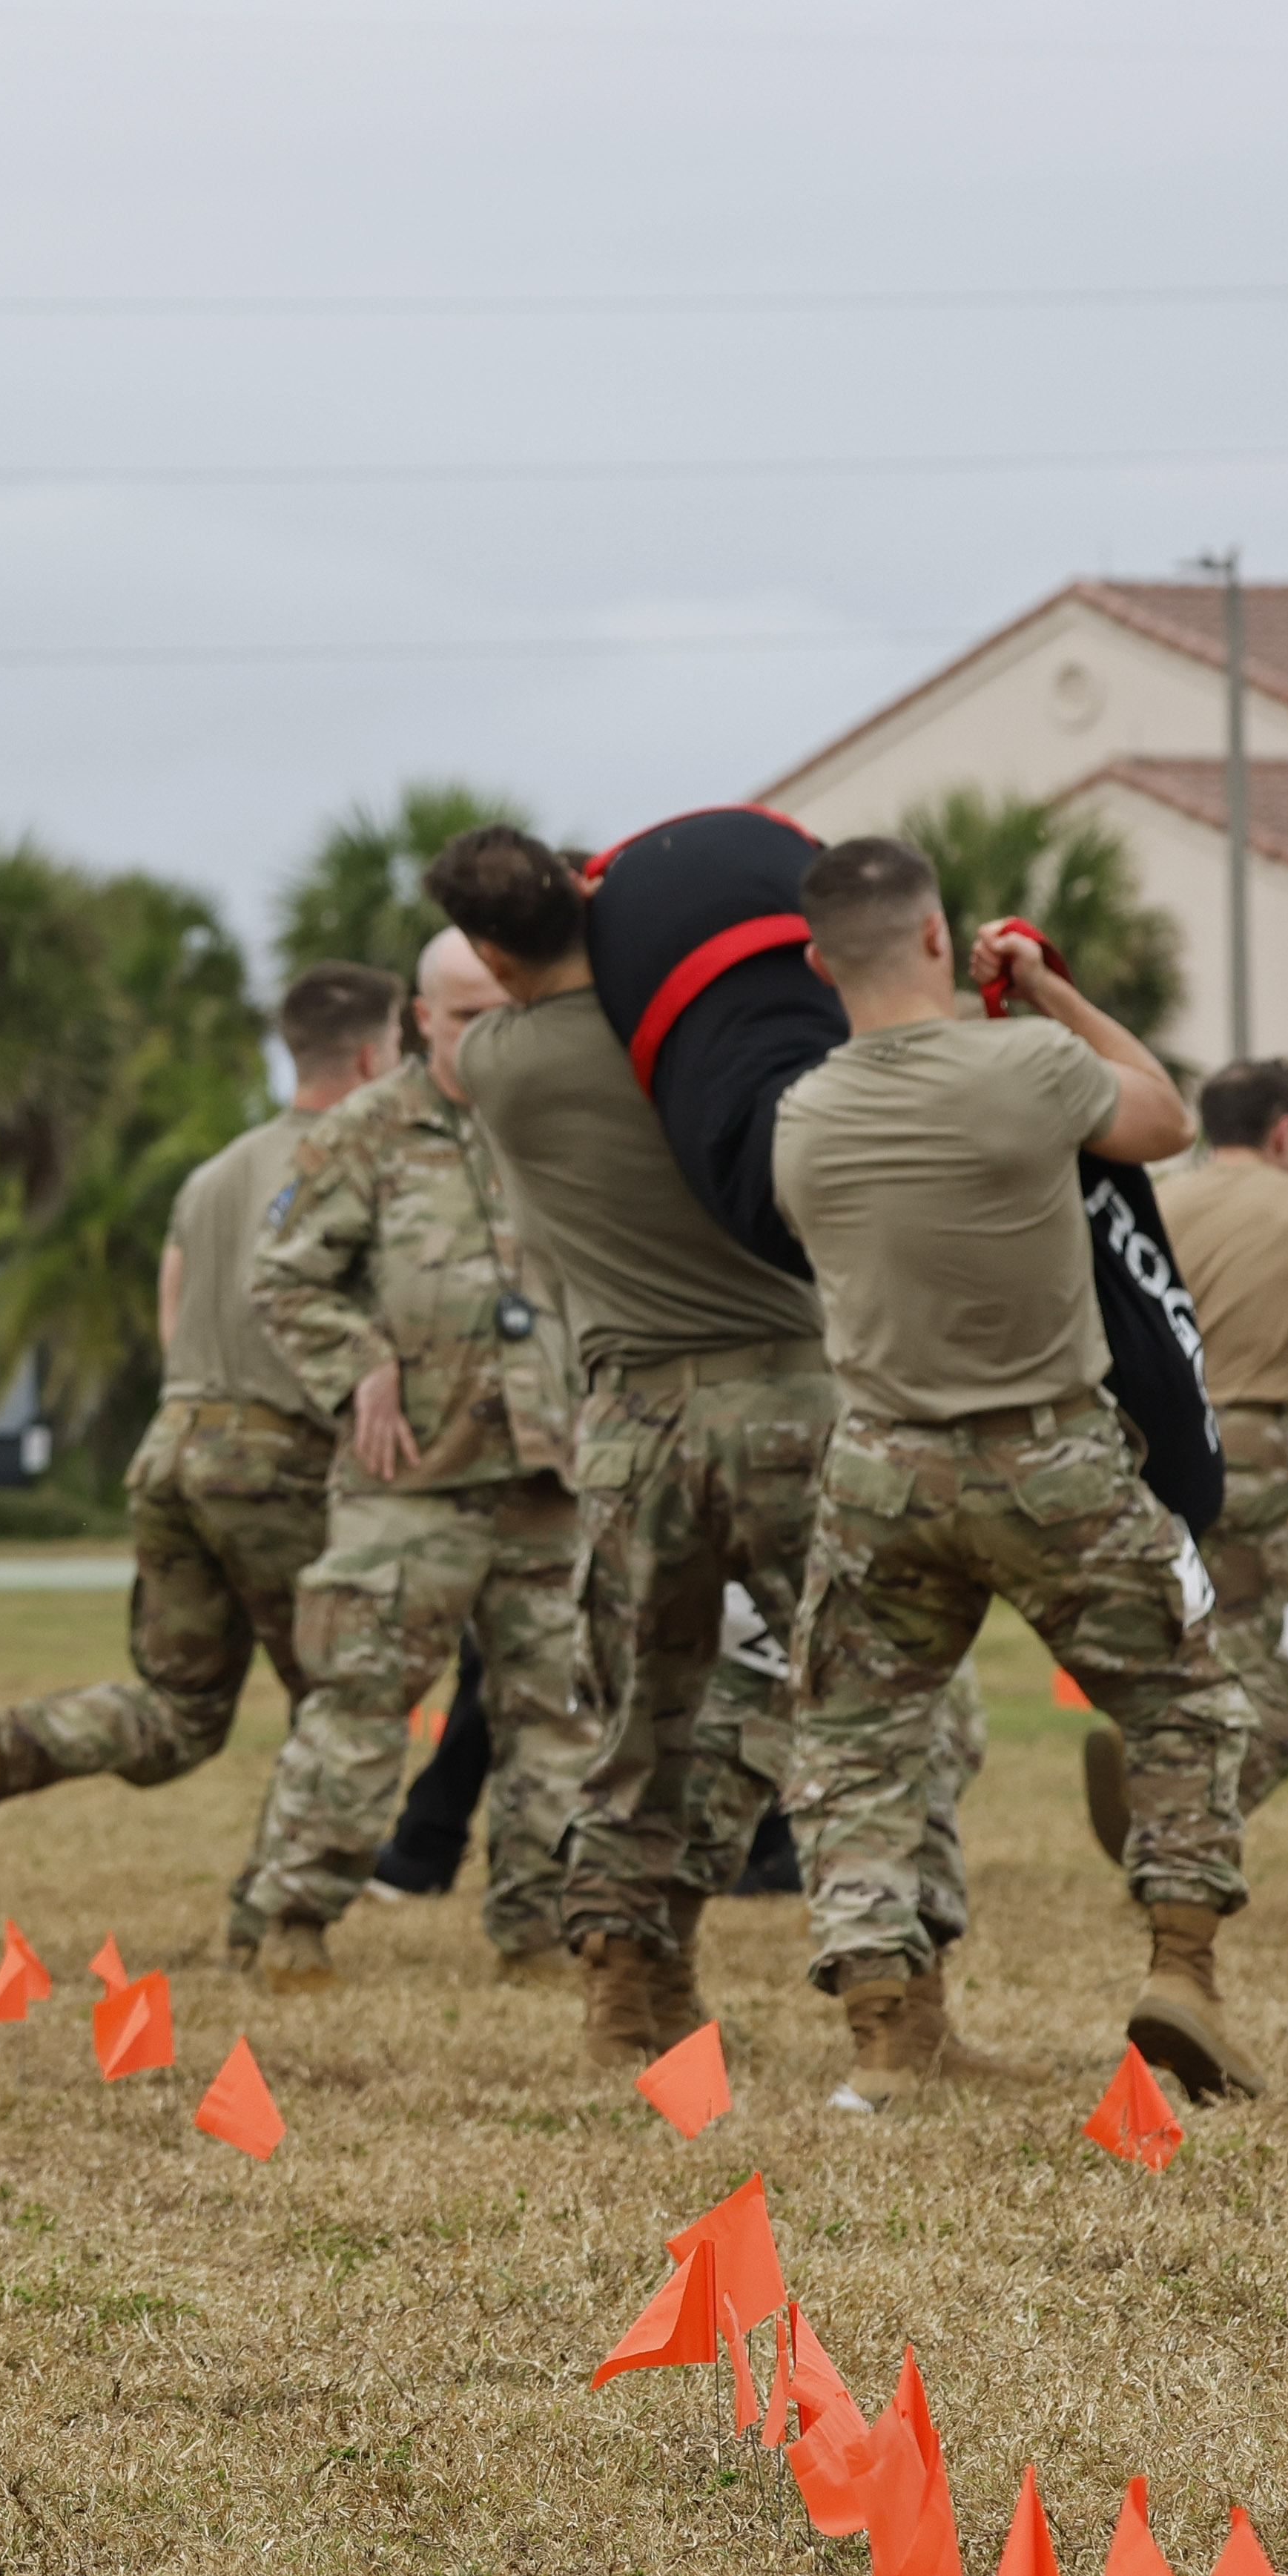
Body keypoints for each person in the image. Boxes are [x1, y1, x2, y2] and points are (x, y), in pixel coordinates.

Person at [422, 821, 1015, 2078]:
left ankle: (628, 2001)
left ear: (489, 952)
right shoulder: (678, 1036)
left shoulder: (494, 1061)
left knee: (642, 1726)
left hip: (629, 1430)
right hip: (797, 1404)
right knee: (883, 1706)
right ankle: (900, 2015)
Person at [770, 837, 1259, 2106]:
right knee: (1183, 1702)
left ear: (820, 963)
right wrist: (1045, 988)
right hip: (1053, 1457)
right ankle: (1183, 1974)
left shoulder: (804, 1114)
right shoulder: (1030, 1067)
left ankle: (887, 2037)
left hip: (880, 1467)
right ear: (939, 937)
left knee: (858, 1742)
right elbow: (1164, 1118)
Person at [0, 964, 403, 1918]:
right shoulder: (365, 1160)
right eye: (398, 1048)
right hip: (277, 1457)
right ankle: (276, 1914)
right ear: (366, 1058)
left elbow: (172, 1317)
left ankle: (9, 1745)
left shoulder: (214, 1172)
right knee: (341, 1699)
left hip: (177, 1444)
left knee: (182, 1710)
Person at [238, 932, 604, 1991]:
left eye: (510, 1011)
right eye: (469, 1016)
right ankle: (292, 1922)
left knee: (560, 1714)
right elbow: (284, 1280)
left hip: (548, 1473)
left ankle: (540, 1927)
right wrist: (359, 1363)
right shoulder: (364, 1132)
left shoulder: (558, 1118)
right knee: (358, 1704)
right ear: (422, 1022)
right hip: (412, 1480)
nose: (492, 1034)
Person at [1118, 1056, 1288, 1853]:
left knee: (1206, 1643)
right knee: (1287, 1674)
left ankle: (1161, 1791)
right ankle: (1177, 1825)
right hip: (1261, 1460)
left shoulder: (1155, 1206)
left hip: (1157, 1455)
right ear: (1282, 1130)